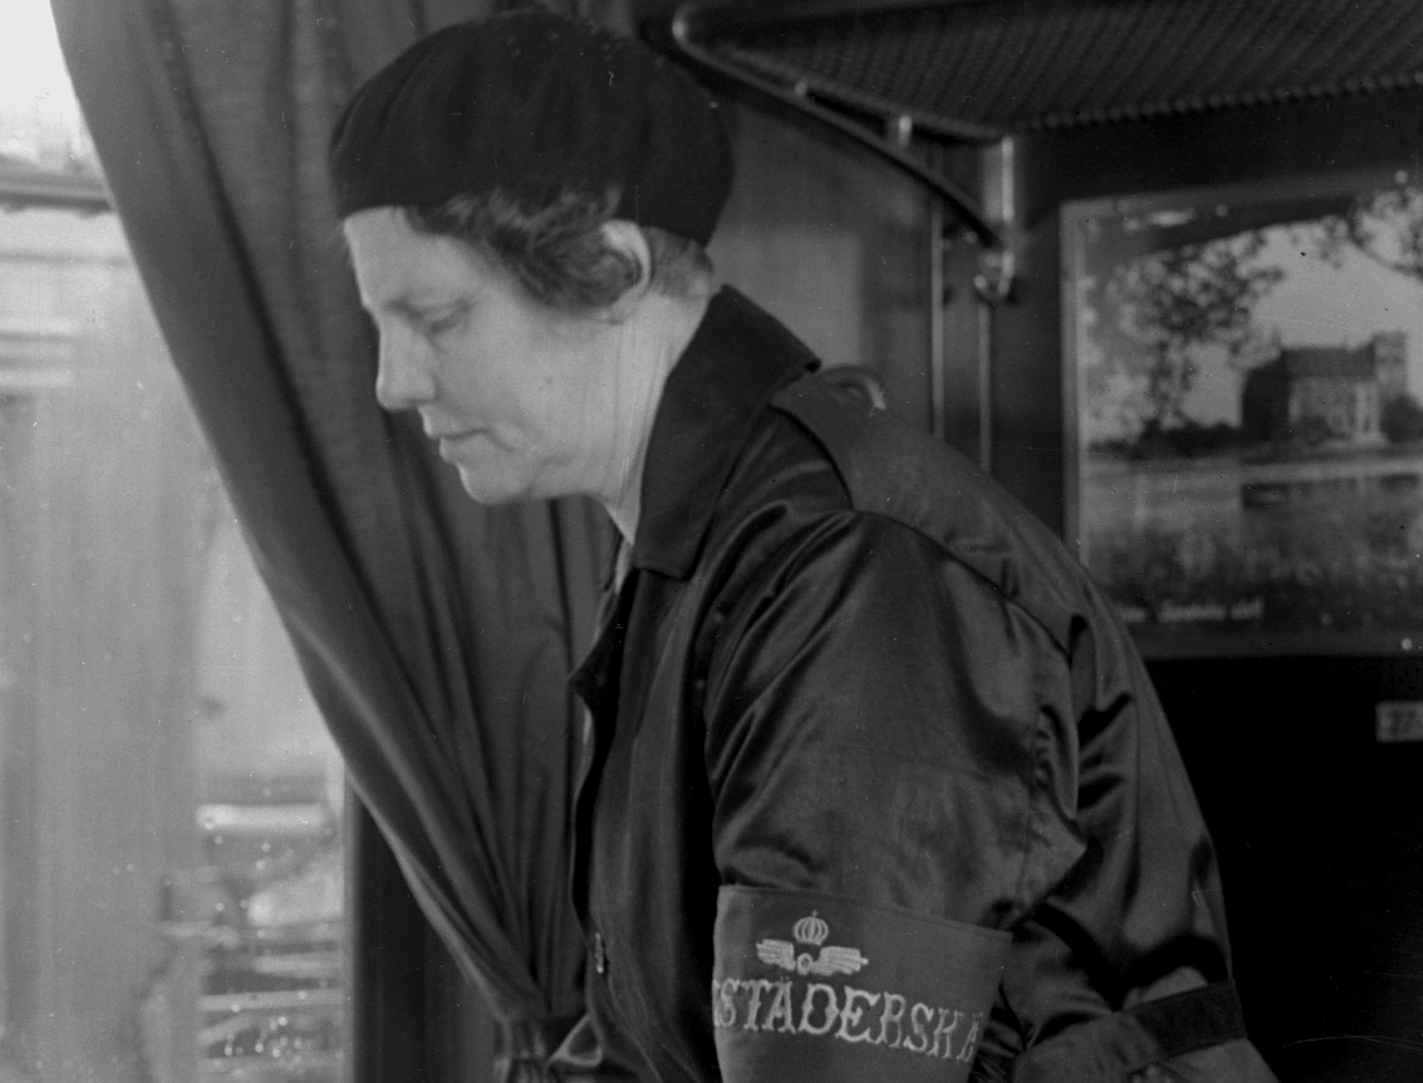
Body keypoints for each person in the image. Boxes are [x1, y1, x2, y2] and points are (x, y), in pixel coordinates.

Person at [328, 11, 1279, 1083]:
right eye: (381, 326)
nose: (392, 382)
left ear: (610, 270)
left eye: (439, 319)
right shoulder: (700, 541)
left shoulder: (847, 567)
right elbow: (661, 1037)